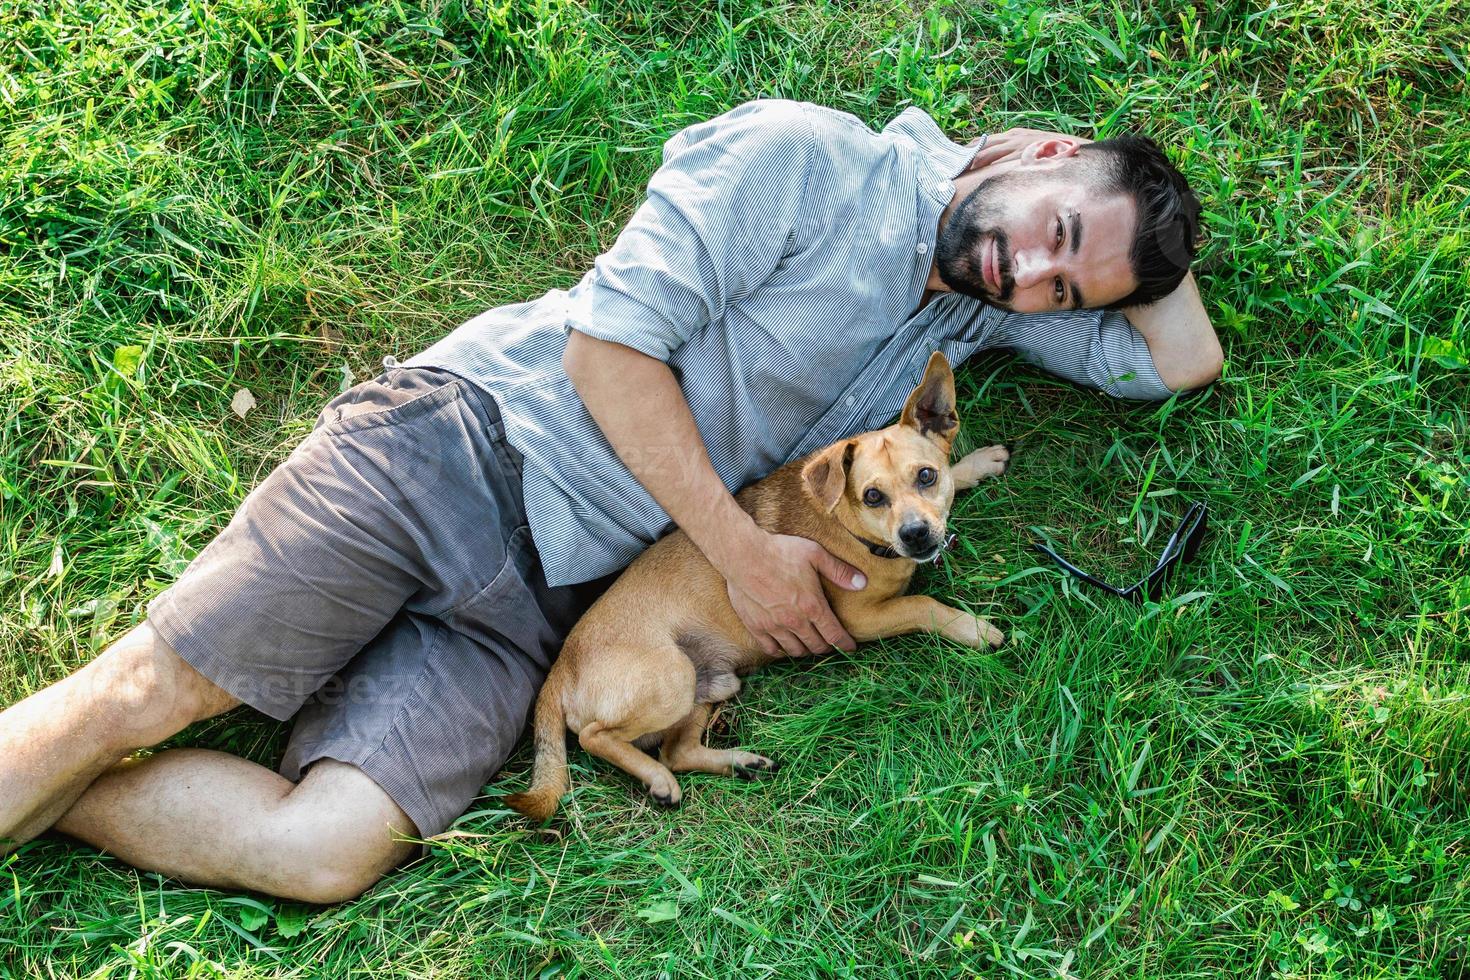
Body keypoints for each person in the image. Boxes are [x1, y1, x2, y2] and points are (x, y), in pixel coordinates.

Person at [0, 99, 1222, 902]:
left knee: (322, 851)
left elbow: (1180, 364)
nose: (1036, 273)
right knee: (143, 693)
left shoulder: (971, 311)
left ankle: (42, 784)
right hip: (458, 450)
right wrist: (742, 551)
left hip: (546, 608)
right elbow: (605, 355)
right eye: (1055, 230)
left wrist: (1142, 243)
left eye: (1068, 290)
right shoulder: (807, 159)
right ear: (1041, 150)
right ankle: (54, 757)